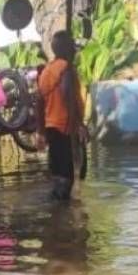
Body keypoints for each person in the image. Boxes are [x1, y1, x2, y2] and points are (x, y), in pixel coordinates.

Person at [35, 31, 88, 201]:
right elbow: (67, 95)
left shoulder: (46, 72)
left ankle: (57, 216)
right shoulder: (66, 69)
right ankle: (61, 212)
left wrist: (41, 131)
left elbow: (39, 101)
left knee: (59, 174)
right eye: (72, 46)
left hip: (52, 128)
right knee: (69, 176)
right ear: (67, 49)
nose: (75, 50)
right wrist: (79, 124)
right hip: (66, 128)